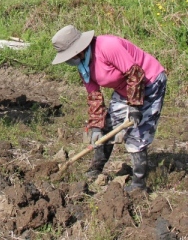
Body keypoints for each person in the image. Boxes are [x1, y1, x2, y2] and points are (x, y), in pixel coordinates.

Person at [51, 25, 167, 192]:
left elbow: (135, 73)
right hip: (125, 89)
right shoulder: (83, 66)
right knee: (107, 127)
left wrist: (135, 107)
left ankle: (139, 185)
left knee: (137, 133)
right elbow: (94, 96)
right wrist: (97, 125)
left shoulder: (107, 47)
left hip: (149, 82)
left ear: (79, 50)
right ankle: (96, 169)